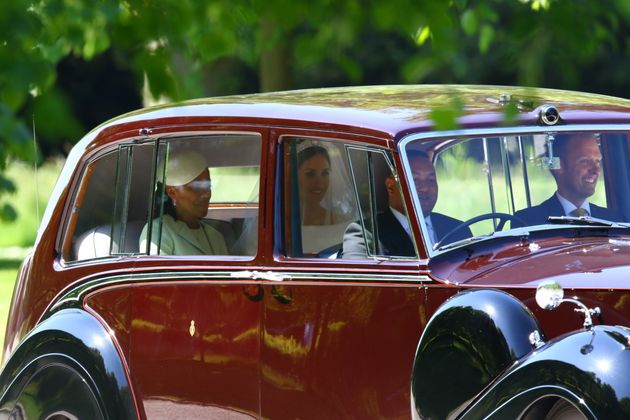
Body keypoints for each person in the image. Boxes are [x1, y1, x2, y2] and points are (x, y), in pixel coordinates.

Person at [342, 151, 472, 259]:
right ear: (391, 186)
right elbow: (358, 281)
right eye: (414, 180)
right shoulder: (365, 233)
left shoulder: (458, 229)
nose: (425, 188)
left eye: (431, 180)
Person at [514, 134, 622, 225]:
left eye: (597, 161)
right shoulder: (527, 222)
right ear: (559, 166)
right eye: (584, 161)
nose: (596, 170)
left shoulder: (615, 221)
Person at [139, 149, 228, 255]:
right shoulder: (157, 232)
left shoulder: (215, 236)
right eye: (197, 187)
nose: (207, 194)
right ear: (172, 192)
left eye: (208, 185)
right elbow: (154, 270)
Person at [297, 145, 351, 254]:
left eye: (325, 173)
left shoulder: (342, 224)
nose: (319, 183)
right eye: (310, 174)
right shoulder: (273, 224)